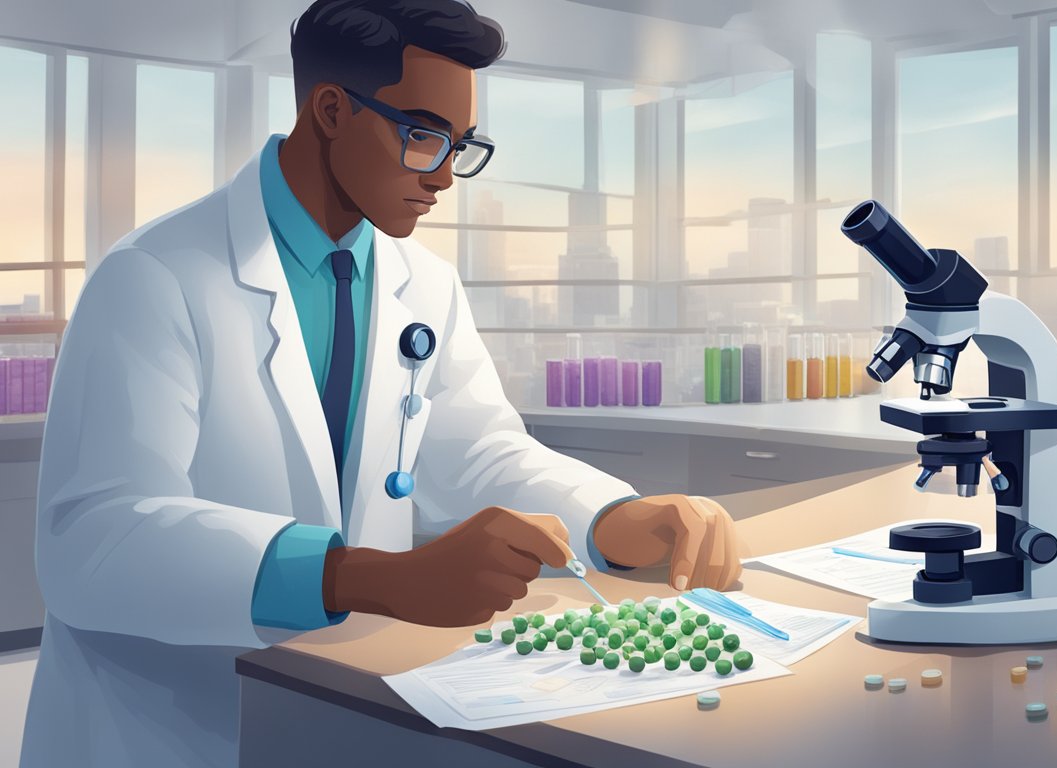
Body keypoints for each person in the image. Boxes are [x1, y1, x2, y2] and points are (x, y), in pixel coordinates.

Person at [20, 2, 741, 765]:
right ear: (331, 110)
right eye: (422, 136)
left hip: (342, 706)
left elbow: (480, 454)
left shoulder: (421, 282)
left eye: (460, 147)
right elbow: (93, 538)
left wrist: (612, 518)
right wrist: (366, 578)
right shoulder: (155, 276)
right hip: (171, 725)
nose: (443, 178)